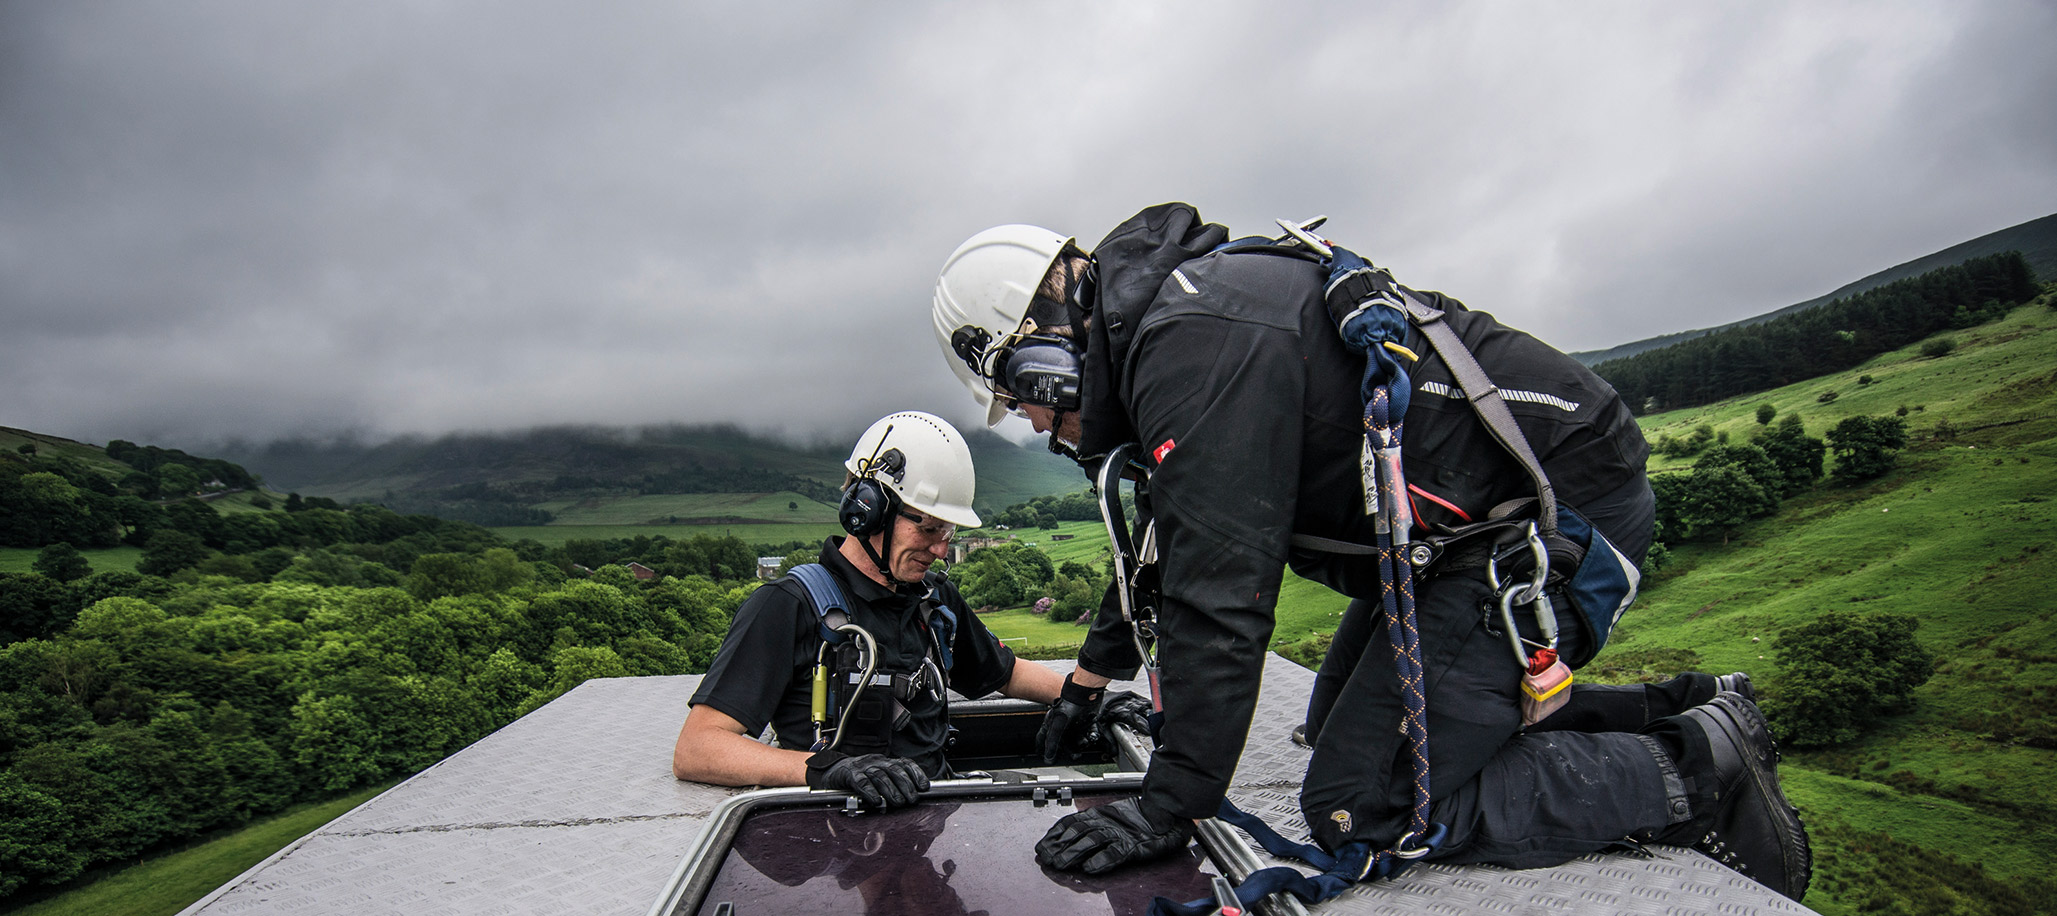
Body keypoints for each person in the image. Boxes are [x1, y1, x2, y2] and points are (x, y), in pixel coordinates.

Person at [927, 205, 1811, 899]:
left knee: (1361, 801)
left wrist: (1170, 803)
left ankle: (1699, 770)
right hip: (1462, 542)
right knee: (1331, 725)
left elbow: (1219, 599)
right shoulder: (1181, 318)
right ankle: (1684, 709)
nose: (1037, 422)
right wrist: (1089, 683)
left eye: (1020, 394)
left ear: (1039, 348)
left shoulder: (1191, 345)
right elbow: (1155, 552)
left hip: (1540, 534)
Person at [672, 410, 1144, 808]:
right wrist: (829, 770)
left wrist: (1085, 696)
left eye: (948, 534)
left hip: (935, 820)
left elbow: (1004, 672)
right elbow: (698, 748)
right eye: (928, 529)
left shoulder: (933, 600)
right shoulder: (788, 606)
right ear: (869, 509)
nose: (941, 550)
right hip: (837, 829)